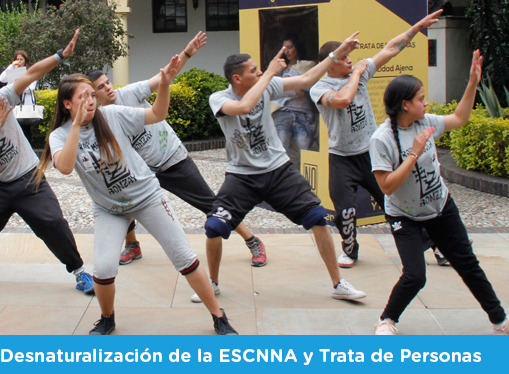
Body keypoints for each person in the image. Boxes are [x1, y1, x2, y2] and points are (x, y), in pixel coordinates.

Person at [37, 59, 239, 335]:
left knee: (183, 256)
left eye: (92, 95)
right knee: (104, 268)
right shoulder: (60, 136)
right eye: (83, 97)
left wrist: (164, 84)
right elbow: (65, 166)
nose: (91, 101)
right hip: (109, 209)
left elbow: (157, 114)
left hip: (147, 197)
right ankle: (107, 319)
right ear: (67, 104)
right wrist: (76, 126)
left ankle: (219, 317)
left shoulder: (112, 115)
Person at [86, 32, 267, 304]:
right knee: (120, 203)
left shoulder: (129, 94)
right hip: (146, 172)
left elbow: (164, 77)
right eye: (100, 87)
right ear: (93, 94)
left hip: (173, 159)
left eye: (107, 82)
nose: (108, 88)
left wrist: (188, 52)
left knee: (211, 204)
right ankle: (133, 246)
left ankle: (253, 241)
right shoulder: (98, 118)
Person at [206, 33, 367, 301]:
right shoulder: (219, 98)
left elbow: (306, 79)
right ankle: (211, 284)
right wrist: (270, 72)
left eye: (259, 69)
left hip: (279, 171)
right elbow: (244, 107)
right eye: (253, 70)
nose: (259, 72)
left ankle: (338, 284)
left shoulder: (267, 85)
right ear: (237, 78)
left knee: (317, 218)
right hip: (242, 176)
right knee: (214, 227)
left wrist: (335, 55)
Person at [370, 51, 507, 335]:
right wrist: (414, 153)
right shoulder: (382, 139)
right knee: (415, 276)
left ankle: (500, 320)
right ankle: (387, 320)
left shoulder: (426, 122)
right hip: (405, 216)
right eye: (421, 99)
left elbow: (459, 117)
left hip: (441, 208)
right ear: (405, 105)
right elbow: (387, 186)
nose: (426, 103)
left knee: (467, 263)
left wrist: (472, 84)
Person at [0, 30, 94, 296]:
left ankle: (79, 271)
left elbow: (31, 74)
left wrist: (60, 55)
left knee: (54, 223)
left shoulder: (0, 99)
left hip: (30, 179)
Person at [309, 10, 443, 268]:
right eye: (344, 57)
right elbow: (343, 100)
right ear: (331, 62)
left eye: (350, 56)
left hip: (372, 154)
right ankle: (350, 250)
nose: (350, 61)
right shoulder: (320, 88)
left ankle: (437, 244)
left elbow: (390, 49)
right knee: (345, 211)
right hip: (341, 158)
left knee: (400, 203)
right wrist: (357, 75)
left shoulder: (359, 73)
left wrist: (417, 27)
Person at [271, 34, 317, 170]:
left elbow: (310, 88)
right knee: (281, 150)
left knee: (305, 151)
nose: (287, 51)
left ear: (297, 47)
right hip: (283, 112)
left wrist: (288, 88)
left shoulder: (307, 66)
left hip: (303, 113)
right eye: (284, 48)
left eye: (290, 47)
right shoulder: (281, 68)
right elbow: (277, 89)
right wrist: (295, 88)